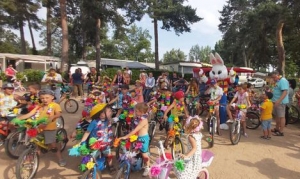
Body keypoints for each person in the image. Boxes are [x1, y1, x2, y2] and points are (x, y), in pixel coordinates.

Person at [17, 89, 66, 166]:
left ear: (52, 97)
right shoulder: (39, 106)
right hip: (38, 128)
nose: (44, 100)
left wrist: (52, 117)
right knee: (36, 144)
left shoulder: (55, 105)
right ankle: (33, 159)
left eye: (47, 97)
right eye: (42, 98)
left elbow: (58, 114)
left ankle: (60, 159)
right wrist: (18, 119)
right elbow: (30, 114)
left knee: (52, 145)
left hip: (49, 128)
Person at [80, 103, 116, 172]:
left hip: (105, 143)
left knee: (109, 155)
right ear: (102, 114)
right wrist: (82, 142)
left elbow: (109, 131)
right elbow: (87, 132)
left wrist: (111, 139)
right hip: (95, 144)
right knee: (92, 157)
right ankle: (90, 169)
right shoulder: (94, 122)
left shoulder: (108, 121)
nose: (111, 113)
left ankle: (110, 165)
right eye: (109, 111)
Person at [119, 103, 150, 177]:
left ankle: (147, 167)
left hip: (143, 139)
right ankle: (132, 165)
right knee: (133, 152)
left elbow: (135, 130)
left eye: (136, 111)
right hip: (136, 137)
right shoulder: (138, 117)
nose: (135, 112)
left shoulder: (143, 120)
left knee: (144, 155)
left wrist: (126, 136)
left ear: (141, 112)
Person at [270, 71, 289, 136]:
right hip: (275, 101)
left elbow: (285, 92)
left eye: (274, 77)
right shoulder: (277, 81)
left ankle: (281, 131)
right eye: (272, 77)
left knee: (281, 116)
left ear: (278, 75)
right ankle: (277, 128)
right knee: (277, 116)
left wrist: (278, 101)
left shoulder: (283, 80)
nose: (273, 79)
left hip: (280, 102)